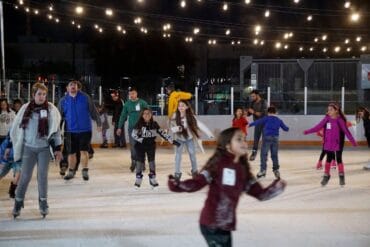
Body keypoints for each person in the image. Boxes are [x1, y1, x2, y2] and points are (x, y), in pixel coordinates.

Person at [168, 127, 286, 247]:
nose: (244, 142)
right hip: (211, 223)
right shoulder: (217, 164)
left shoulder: (243, 170)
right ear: (228, 145)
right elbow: (198, 182)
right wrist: (178, 185)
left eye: (244, 139)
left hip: (225, 224)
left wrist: (276, 188)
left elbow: (260, 194)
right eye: (239, 139)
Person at [11, 82, 62, 218]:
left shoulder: (51, 109)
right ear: (33, 94)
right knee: (25, 177)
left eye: (44, 94)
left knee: (42, 176)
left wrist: (57, 148)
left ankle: (43, 202)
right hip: (29, 148)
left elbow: (55, 130)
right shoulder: (25, 108)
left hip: (44, 149)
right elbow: (16, 128)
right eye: (39, 94)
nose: (42, 97)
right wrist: (13, 145)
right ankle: (18, 201)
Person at [304, 102, 357, 186]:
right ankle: (326, 175)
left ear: (336, 111)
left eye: (331, 110)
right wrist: (308, 131)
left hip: (338, 142)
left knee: (339, 158)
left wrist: (352, 141)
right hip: (328, 142)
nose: (329, 111)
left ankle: (341, 176)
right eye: (328, 110)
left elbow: (346, 131)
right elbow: (318, 127)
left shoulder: (340, 120)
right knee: (328, 159)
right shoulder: (326, 119)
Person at [59, 80, 101, 181]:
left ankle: (85, 171)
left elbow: (93, 111)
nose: (73, 86)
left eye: (75, 85)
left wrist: (98, 123)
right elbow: (59, 116)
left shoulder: (85, 97)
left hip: (85, 130)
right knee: (71, 153)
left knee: (84, 151)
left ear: (78, 87)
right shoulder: (63, 101)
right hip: (70, 131)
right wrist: (57, 129)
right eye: (71, 85)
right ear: (67, 88)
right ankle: (71, 171)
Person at [131, 108, 179, 188]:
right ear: (142, 115)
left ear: (151, 115)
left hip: (151, 146)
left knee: (152, 162)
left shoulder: (154, 124)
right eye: (145, 113)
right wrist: (141, 140)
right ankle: (138, 178)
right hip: (140, 146)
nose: (147, 115)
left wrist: (171, 140)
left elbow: (162, 133)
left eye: (149, 113)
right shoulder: (139, 124)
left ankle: (152, 178)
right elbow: (133, 134)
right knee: (140, 162)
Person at [170, 99, 214, 181]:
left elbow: (201, 125)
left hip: (189, 139)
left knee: (192, 155)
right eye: (179, 106)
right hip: (179, 139)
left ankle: (194, 171)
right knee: (178, 156)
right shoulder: (174, 116)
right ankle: (177, 173)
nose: (180, 107)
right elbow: (171, 128)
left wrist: (209, 134)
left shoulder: (191, 116)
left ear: (187, 107)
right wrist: (177, 128)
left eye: (182, 105)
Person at [249, 106, 289, 179]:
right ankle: (276, 170)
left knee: (263, 154)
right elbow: (285, 129)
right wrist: (287, 128)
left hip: (267, 138)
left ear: (268, 113)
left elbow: (257, 122)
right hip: (275, 139)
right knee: (274, 155)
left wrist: (249, 125)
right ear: (276, 112)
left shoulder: (266, 118)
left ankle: (263, 170)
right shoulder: (279, 120)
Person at [117, 87, 149, 172]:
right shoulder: (127, 104)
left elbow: (148, 113)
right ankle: (134, 162)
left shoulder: (142, 103)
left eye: (133, 93)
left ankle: (142, 163)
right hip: (132, 128)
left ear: (136, 93)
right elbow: (123, 116)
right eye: (130, 94)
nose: (132, 95)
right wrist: (119, 127)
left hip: (142, 128)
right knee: (133, 146)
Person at [246, 89, 267, 161]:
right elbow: (249, 114)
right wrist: (246, 112)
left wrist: (253, 112)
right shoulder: (252, 102)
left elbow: (262, 114)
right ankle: (253, 154)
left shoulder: (264, 102)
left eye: (253, 96)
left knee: (264, 140)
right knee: (256, 140)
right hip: (257, 123)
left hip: (265, 123)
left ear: (257, 95)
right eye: (251, 96)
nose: (252, 98)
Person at [0, 134, 21, 198]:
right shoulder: (6, 142)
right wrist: (1, 162)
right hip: (6, 159)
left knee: (18, 174)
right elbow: (1, 151)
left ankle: (12, 191)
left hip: (18, 159)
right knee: (1, 174)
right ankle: (12, 191)